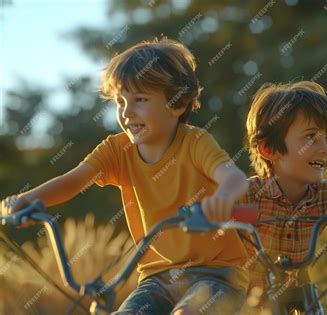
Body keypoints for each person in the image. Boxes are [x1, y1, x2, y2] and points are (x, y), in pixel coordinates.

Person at [1, 37, 250, 314]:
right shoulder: (116, 149)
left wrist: (221, 199)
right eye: (120, 101)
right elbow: (73, 180)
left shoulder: (194, 142)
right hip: (156, 278)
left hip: (216, 275)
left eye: (140, 99)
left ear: (177, 104)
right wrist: (27, 200)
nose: (126, 112)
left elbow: (235, 179)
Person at [240, 81, 327, 289]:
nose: (325, 150)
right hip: (247, 300)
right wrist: (214, 213)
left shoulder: (323, 195)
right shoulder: (248, 194)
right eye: (311, 137)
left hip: (296, 296)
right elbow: (214, 206)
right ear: (268, 149)